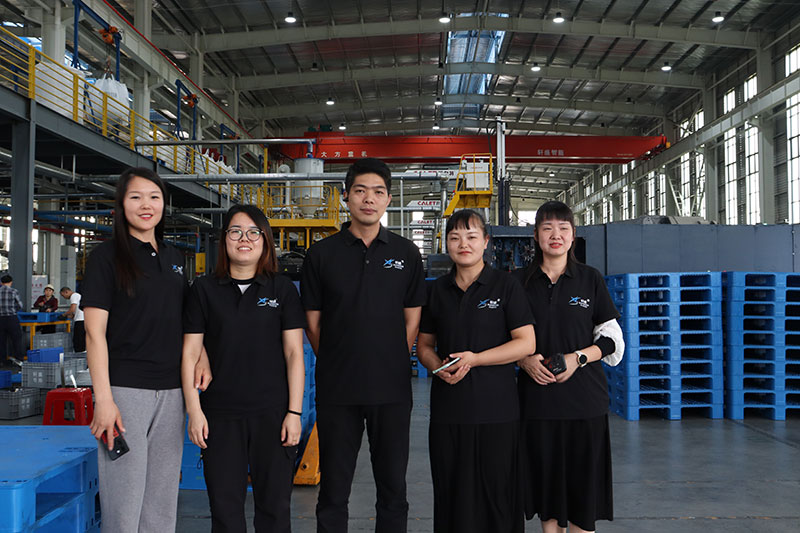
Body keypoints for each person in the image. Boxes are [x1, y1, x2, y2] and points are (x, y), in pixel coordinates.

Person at [301, 158, 427, 533]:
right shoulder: (321, 255)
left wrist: (388, 359)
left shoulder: (407, 254)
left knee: (393, 488)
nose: (368, 199)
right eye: (360, 191)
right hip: (338, 390)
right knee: (334, 490)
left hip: (391, 389)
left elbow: (412, 320)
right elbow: (313, 324)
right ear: (346, 196)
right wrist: (340, 358)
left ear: (388, 199)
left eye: (377, 192)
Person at [182, 204, 306, 532]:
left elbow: (294, 353)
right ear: (224, 240)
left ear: (265, 242)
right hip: (220, 416)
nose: (244, 239)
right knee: (225, 510)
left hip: (273, 415)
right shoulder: (204, 290)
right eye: (235, 232)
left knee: (275, 509)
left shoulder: (281, 290)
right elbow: (190, 352)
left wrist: (294, 413)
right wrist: (194, 412)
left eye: (254, 232)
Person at [81, 167, 188, 533]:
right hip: (126, 392)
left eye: (154, 197)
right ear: (121, 205)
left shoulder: (175, 257)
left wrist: (202, 356)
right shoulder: (106, 257)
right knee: (124, 503)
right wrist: (104, 399)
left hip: (172, 392)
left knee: (161, 502)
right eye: (136, 197)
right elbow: (94, 333)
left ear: (164, 204)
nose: (146, 205)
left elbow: (185, 321)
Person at [417, 209, 536, 533]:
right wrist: (436, 366)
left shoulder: (506, 286)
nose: (463, 244)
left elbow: (526, 343)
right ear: (446, 244)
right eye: (455, 237)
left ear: (485, 242)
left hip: (497, 412)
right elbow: (424, 345)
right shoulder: (437, 290)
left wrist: (476, 359)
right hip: (449, 413)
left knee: (498, 498)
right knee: (452, 497)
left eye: (471, 237)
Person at [513, 201, 624, 533]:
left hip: (584, 405)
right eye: (547, 228)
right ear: (536, 236)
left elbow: (613, 341)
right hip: (537, 405)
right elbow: (500, 337)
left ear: (573, 235)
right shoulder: (518, 282)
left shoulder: (590, 279)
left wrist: (578, 358)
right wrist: (523, 359)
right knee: (546, 494)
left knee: (582, 498)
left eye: (563, 228)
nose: (555, 235)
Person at [0, 274, 24, 367]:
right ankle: (18, 360)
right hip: (12, 318)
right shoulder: (14, 291)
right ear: (11, 282)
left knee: (1, 341)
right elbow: (20, 305)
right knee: (16, 340)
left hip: (1, 319)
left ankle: (2, 361)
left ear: (1, 282)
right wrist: (13, 310)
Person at [60, 286, 85, 352]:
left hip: (80, 320)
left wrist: (64, 315)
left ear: (66, 292)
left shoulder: (73, 296)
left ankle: (79, 353)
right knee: (81, 338)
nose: (64, 297)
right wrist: (71, 316)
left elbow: (72, 308)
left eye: (63, 295)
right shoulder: (77, 295)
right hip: (82, 319)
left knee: (78, 339)